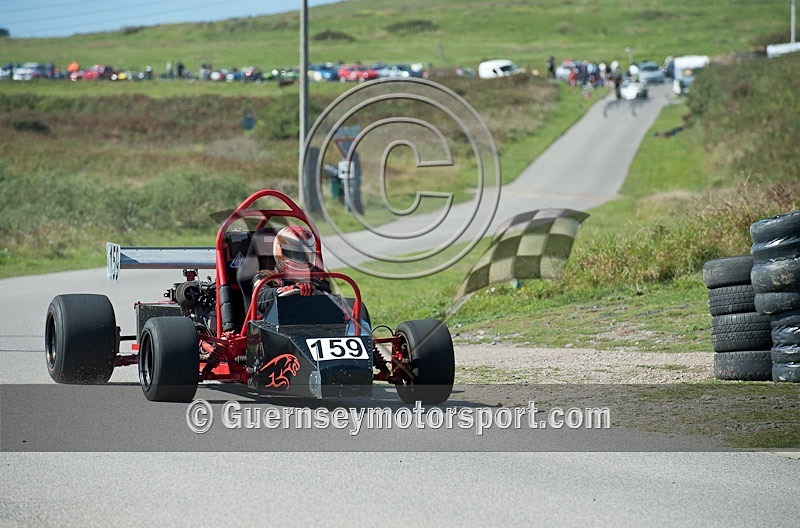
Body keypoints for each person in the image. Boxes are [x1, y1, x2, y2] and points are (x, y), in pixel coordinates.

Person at [252, 225, 330, 317]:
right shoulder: (265, 276)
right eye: (296, 255)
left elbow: (329, 300)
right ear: (280, 251)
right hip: (271, 326)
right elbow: (260, 297)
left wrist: (314, 290)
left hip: (309, 325)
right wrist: (286, 290)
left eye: (305, 256)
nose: (302, 260)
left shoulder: (314, 277)